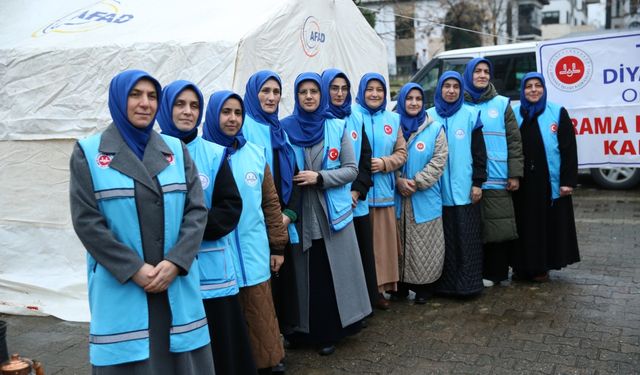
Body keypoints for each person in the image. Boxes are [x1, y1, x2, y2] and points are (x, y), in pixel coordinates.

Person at [69, 70, 214, 374]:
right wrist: (134, 269)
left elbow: (196, 211)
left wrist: (176, 262)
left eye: (151, 96)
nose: (145, 103)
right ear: (119, 100)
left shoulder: (176, 150)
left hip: (174, 280)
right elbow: (87, 223)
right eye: (135, 95)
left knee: (180, 358)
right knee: (132, 361)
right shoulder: (89, 153)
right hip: (124, 285)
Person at [157, 81, 257, 375]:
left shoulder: (214, 154)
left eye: (194, 105)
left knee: (222, 349)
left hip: (211, 270)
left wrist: (187, 228)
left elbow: (230, 208)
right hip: (167, 268)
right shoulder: (150, 154)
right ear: (166, 108)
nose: (188, 111)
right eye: (180, 104)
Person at [282, 72, 371, 356]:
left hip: (331, 215)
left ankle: (329, 332)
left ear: (321, 95)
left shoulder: (336, 126)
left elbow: (351, 169)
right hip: (300, 215)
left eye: (314, 91)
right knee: (302, 275)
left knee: (331, 274)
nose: (309, 96)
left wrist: (319, 177)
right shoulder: (284, 129)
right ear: (296, 96)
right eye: (303, 92)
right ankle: (299, 331)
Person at [203, 90, 288, 375]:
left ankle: (269, 360)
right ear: (213, 115)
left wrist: (277, 246)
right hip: (217, 255)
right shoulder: (200, 155)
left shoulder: (254, 153)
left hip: (253, 249)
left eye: (238, 113)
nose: (232, 118)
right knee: (227, 317)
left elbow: (270, 202)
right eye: (225, 112)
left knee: (260, 310)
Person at [511, 72, 580, 281]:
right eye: (528, 86)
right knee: (523, 224)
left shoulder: (557, 112)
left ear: (543, 89)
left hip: (547, 181)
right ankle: (521, 266)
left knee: (543, 224)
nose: (533, 90)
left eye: (537, 85)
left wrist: (568, 181)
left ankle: (541, 267)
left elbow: (568, 149)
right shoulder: (514, 113)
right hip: (521, 182)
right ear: (522, 91)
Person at [320, 68, 378, 314]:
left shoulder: (356, 116)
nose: (339, 93)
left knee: (361, 258)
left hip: (356, 202)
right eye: (334, 88)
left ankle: (364, 307)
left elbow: (365, 158)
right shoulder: (316, 119)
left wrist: (357, 192)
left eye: (344, 88)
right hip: (330, 204)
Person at [462, 58, 524, 287]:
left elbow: (514, 141)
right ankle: (475, 271)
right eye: (477, 71)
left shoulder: (501, 104)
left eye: (486, 71)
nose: (482, 75)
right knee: (473, 229)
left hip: (498, 177)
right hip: (469, 178)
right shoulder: (460, 104)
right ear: (468, 75)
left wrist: (514, 173)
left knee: (498, 228)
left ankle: (496, 273)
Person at [426, 71, 487, 297]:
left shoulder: (471, 114)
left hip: (465, 191)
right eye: (446, 86)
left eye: (456, 86)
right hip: (436, 193)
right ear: (439, 89)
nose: (451, 90)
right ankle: (444, 286)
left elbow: (479, 154)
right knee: (444, 242)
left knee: (467, 240)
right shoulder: (428, 116)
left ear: (461, 90)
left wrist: (478, 182)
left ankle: (469, 286)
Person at [353, 73, 407, 309]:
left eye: (379, 90)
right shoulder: (353, 116)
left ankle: (380, 292)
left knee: (382, 249)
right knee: (363, 248)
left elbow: (402, 154)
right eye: (370, 89)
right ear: (362, 91)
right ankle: (362, 292)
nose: (375, 94)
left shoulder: (393, 119)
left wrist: (384, 163)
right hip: (358, 197)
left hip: (384, 194)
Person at [394, 83, 448, 304]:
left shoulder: (434, 128)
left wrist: (416, 182)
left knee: (425, 246)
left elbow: (439, 161)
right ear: (402, 101)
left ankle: (425, 289)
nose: (414, 103)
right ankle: (400, 287)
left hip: (424, 198)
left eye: (418, 98)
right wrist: (397, 181)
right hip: (397, 197)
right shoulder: (392, 125)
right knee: (399, 243)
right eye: (409, 98)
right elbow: (386, 155)